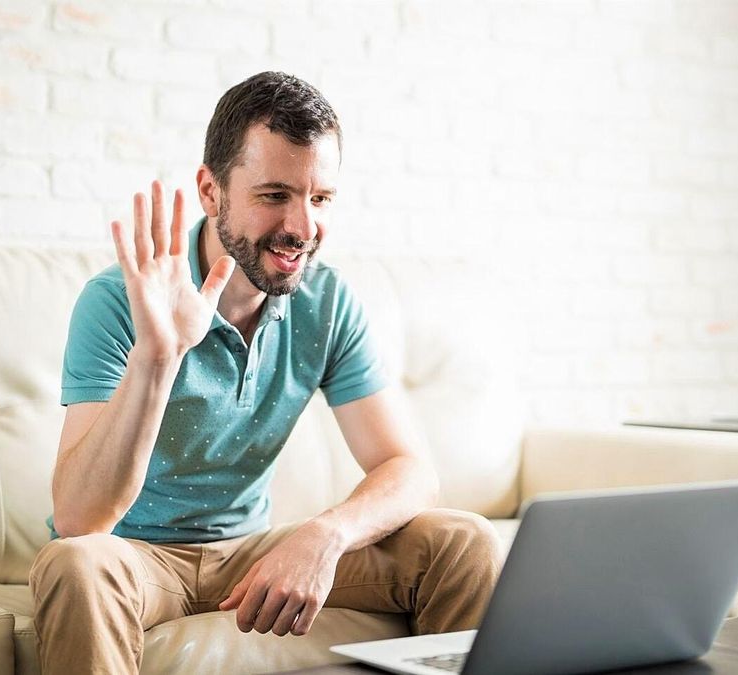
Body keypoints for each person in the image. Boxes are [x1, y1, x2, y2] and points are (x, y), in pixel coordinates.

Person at [28, 71, 503, 675]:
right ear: (211, 190)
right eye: (275, 195)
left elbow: (408, 469)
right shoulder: (118, 301)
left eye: (320, 199)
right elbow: (78, 522)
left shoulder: (326, 302)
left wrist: (323, 536)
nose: (303, 228)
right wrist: (158, 355)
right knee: (74, 566)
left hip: (251, 552)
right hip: (133, 558)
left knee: (463, 543)